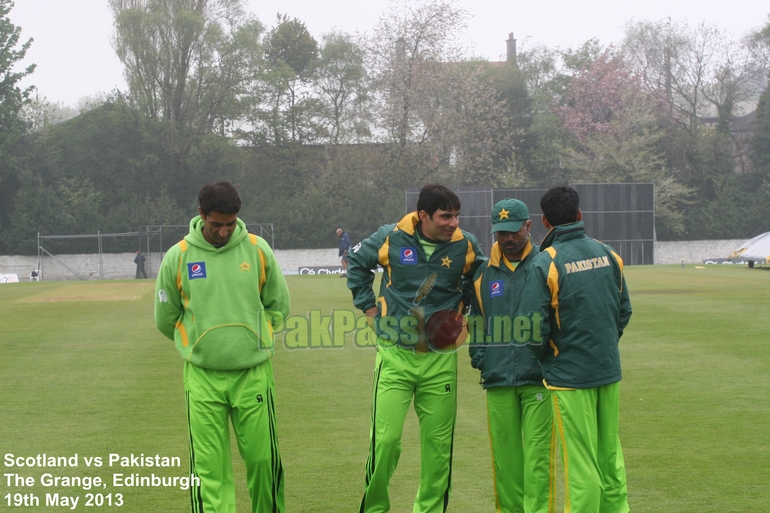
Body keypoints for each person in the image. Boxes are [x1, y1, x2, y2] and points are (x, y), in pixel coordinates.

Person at [347, 183, 486, 513]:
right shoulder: (390, 237)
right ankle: (375, 508)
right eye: (445, 217)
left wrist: (463, 309)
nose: (453, 223)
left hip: (440, 362)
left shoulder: (465, 244)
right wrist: (368, 307)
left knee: (438, 449)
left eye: (456, 216)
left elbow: (478, 275)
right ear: (423, 216)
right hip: (394, 357)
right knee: (386, 441)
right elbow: (356, 263)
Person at [154, 182, 290, 513]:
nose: (225, 231)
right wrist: (200, 344)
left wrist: (252, 339)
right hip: (202, 377)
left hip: (253, 374)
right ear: (201, 215)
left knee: (263, 463)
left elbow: (278, 306)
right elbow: (166, 316)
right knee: (208, 471)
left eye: (230, 224)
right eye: (217, 224)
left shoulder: (258, 250)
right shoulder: (179, 256)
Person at [518, 185, 632, 513]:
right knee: (610, 457)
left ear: (544, 222)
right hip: (607, 369)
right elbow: (623, 311)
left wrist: (548, 357)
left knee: (581, 463)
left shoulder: (546, 262)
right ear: (580, 214)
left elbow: (532, 329)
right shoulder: (609, 253)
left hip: (568, 377)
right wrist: (603, 345)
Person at [469, 198, 555, 513]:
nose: (507, 239)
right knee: (505, 463)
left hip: (540, 380)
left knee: (538, 461)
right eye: (501, 233)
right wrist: (480, 356)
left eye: (513, 231)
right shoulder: (483, 273)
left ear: (528, 226)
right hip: (497, 379)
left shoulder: (546, 264)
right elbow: (476, 319)